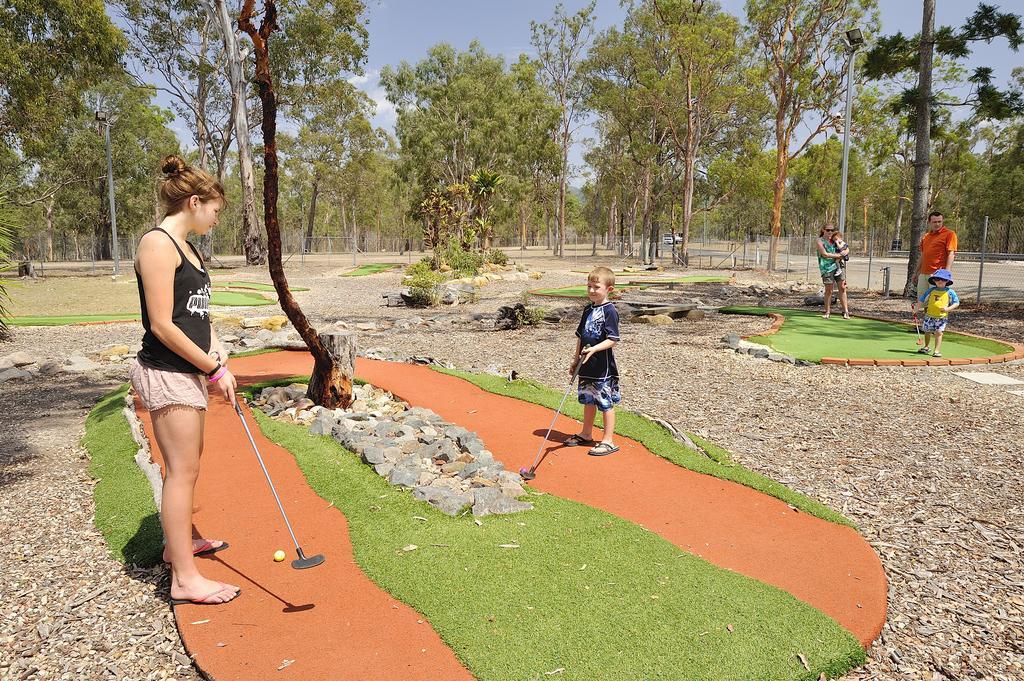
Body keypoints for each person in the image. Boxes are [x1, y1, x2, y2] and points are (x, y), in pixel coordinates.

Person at [129, 155, 240, 606]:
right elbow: (162, 325)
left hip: (190, 370)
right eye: (214, 210)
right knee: (181, 472)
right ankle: (184, 579)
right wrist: (211, 369)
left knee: (190, 463)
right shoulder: (157, 245)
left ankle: (178, 545)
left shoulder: (189, 248)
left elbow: (196, 314)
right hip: (166, 371)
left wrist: (219, 354)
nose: (216, 219)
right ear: (194, 201)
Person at [563, 266, 621, 456]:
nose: (591, 291)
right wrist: (575, 359)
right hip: (586, 364)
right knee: (588, 399)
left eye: (596, 287)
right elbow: (580, 336)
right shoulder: (587, 309)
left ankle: (608, 440)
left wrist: (594, 349)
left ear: (608, 289)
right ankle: (586, 433)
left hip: (602, 366)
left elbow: (612, 340)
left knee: (605, 402)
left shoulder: (610, 311)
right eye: (589, 286)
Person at [911, 268, 960, 358]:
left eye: (943, 279)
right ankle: (926, 347)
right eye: (937, 279)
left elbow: (956, 303)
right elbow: (922, 299)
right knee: (927, 331)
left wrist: (947, 309)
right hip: (929, 315)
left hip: (941, 317)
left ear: (947, 281)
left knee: (939, 332)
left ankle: (937, 350)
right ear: (934, 280)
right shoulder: (931, 290)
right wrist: (917, 308)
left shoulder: (950, 292)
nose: (940, 281)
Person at [917, 210, 957, 300]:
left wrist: (946, 273)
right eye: (934, 222)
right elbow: (923, 255)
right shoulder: (926, 236)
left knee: (937, 302)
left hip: (938, 276)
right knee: (923, 301)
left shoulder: (950, 234)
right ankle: (926, 315)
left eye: (939, 221)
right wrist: (916, 272)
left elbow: (951, 253)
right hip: (923, 274)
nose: (937, 224)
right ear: (929, 222)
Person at [816, 223, 849, 319]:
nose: (830, 232)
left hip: (839, 266)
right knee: (829, 290)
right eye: (828, 230)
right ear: (823, 230)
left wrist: (845, 252)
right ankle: (827, 312)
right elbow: (824, 254)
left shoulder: (835, 239)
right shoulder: (820, 241)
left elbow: (846, 247)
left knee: (842, 288)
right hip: (827, 268)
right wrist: (839, 256)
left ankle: (845, 311)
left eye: (832, 230)